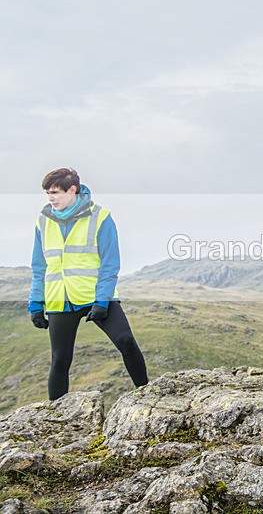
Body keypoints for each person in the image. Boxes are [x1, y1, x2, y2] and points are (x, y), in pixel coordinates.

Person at [28, 168, 148, 401]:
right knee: (60, 359)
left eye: (55, 192)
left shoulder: (101, 217)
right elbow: (39, 266)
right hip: (59, 299)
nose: (50, 198)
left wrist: (102, 300)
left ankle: (146, 392)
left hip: (97, 296)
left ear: (72, 190)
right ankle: (56, 415)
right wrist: (35, 303)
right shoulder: (43, 221)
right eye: (47, 194)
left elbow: (110, 263)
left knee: (125, 340)